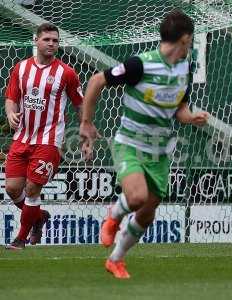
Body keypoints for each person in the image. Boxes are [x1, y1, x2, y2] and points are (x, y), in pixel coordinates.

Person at [79, 10, 208, 279]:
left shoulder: (185, 68)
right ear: (185, 39)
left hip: (159, 150)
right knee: (136, 197)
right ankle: (113, 215)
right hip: (131, 143)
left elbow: (180, 109)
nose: (191, 45)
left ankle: (116, 259)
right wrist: (86, 123)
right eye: (191, 39)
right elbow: (96, 81)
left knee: (148, 212)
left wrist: (191, 117)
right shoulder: (141, 64)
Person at [4, 23, 83, 249]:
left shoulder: (66, 73)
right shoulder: (20, 69)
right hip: (22, 138)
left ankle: (20, 239)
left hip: (49, 141)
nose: (51, 44)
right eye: (47, 39)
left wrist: (85, 130)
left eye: (55, 40)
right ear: (36, 41)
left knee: (32, 189)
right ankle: (38, 218)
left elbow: (80, 104)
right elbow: (11, 98)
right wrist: (10, 113)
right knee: (12, 188)